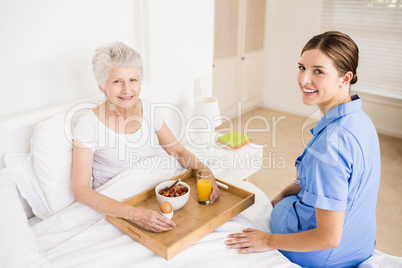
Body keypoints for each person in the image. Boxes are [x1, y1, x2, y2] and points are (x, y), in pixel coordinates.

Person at [225, 31, 381, 267]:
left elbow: (328, 237)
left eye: (318, 71)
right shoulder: (360, 121)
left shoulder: (330, 147)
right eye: (301, 67)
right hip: (359, 244)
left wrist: (267, 241)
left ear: (345, 78)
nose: (304, 79)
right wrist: (283, 194)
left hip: (321, 255)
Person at [72, 42, 219, 233]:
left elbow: (177, 150)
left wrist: (205, 171)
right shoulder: (88, 124)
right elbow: (81, 190)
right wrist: (134, 214)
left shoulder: (149, 108)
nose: (127, 90)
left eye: (133, 80)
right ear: (101, 86)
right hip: (118, 206)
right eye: (117, 82)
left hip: (154, 195)